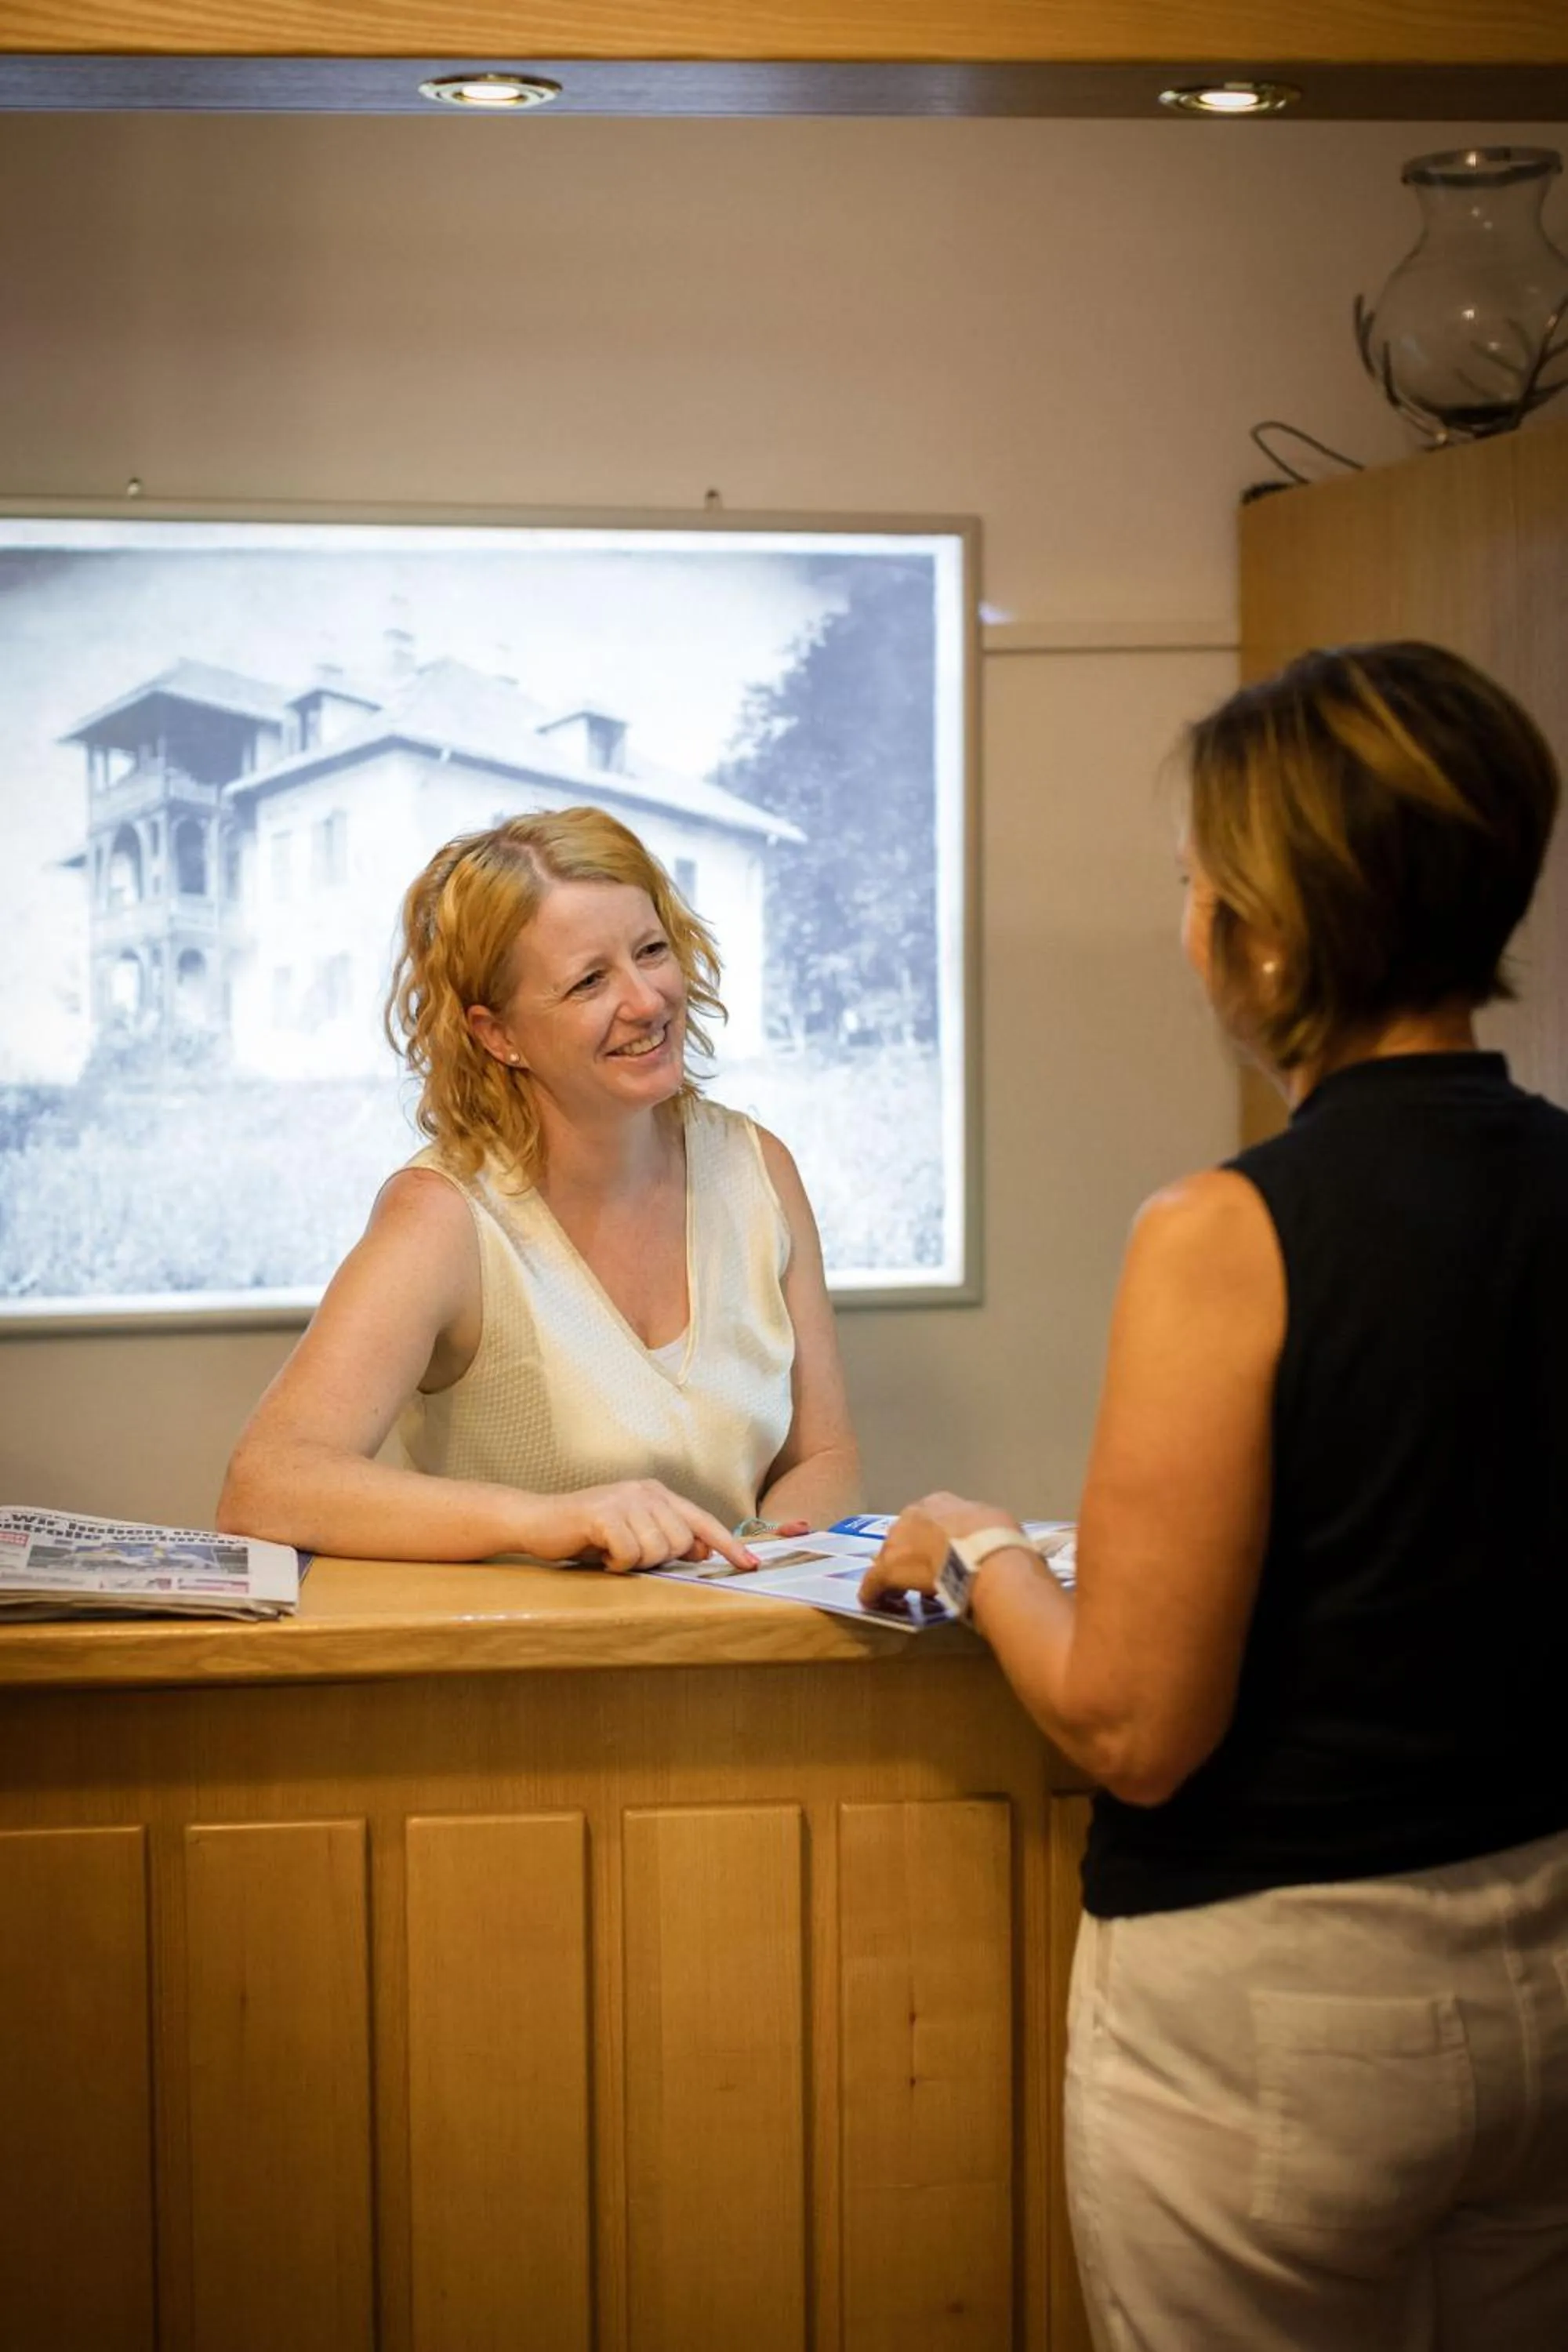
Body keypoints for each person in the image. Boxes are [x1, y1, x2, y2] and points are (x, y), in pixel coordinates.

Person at [861, 641, 1568, 2349]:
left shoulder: (1223, 1232)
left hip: (1282, 2016)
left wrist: (980, 1545)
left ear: (1265, 932)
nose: (1187, 928)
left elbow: (1133, 1724)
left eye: (1195, 887)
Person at [220, 806, 860, 1570]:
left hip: (730, 1640)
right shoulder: (442, 1216)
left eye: (651, 951)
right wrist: (541, 1521)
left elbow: (822, 1456)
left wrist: (753, 1561)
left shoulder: (759, 1167)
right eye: (589, 981)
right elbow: (266, 1485)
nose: (647, 1001)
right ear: (497, 1035)